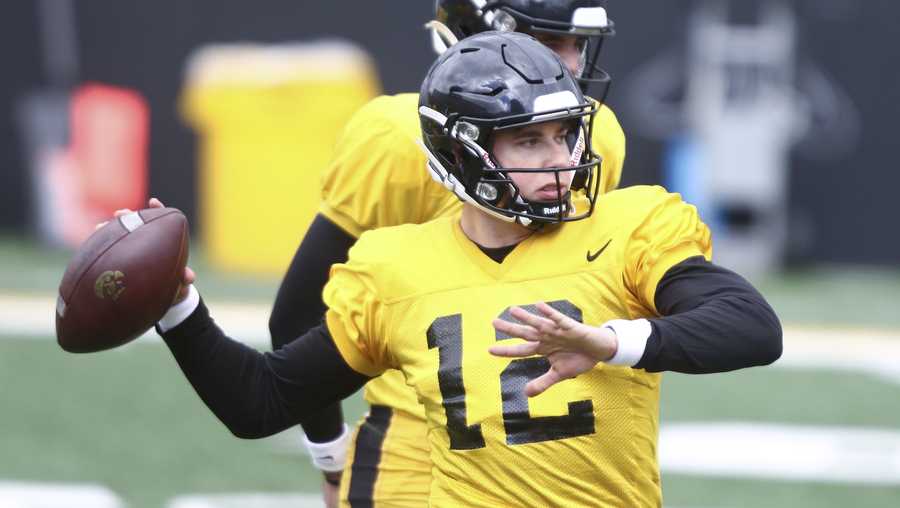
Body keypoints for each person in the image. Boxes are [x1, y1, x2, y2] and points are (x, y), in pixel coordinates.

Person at [152, 32, 781, 507]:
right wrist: (178, 309)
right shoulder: (397, 267)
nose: (560, 160)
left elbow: (752, 326)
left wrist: (612, 342)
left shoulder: (629, 226)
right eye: (530, 141)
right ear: (463, 152)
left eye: (564, 136)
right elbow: (260, 402)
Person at [268, 1, 623, 505]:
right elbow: (300, 315)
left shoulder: (596, 136)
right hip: (424, 455)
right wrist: (331, 457)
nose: (568, 65)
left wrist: (329, 458)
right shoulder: (395, 137)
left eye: (577, 45)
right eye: (548, 44)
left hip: (551, 440)